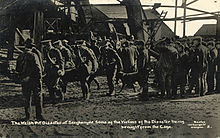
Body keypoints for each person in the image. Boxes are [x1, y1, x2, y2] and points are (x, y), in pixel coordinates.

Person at [16, 41, 44, 121]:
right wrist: (40, 78)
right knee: (38, 97)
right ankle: (39, 116)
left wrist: (23, 78)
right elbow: (38, 68)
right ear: (32, 47)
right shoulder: (34, 55)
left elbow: (17, 69)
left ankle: (28, 116)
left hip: (25, 80)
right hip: (34, 80)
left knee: (27, 98)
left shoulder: (20, 56)